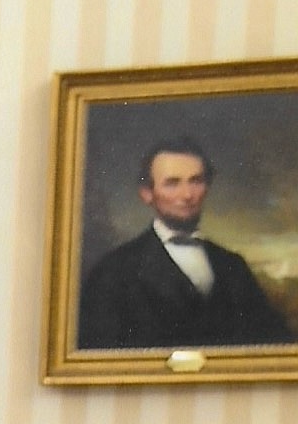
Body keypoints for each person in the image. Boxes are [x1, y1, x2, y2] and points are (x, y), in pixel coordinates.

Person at [77, 137, 293, 349]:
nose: (187, 194)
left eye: (196, 181)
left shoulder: (233, 266)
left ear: (207, 187)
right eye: (172, 183)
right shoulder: (113, 271)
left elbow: (275, 346)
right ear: (146, 194)